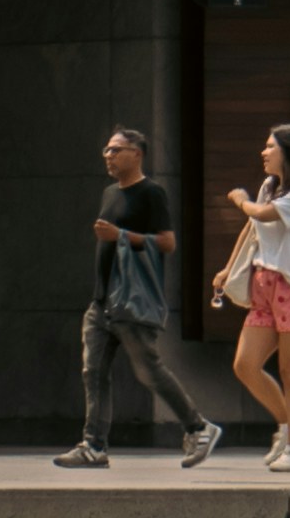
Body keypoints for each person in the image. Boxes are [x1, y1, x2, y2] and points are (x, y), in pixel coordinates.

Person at [64, 127, 209, 468]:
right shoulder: (109, 193)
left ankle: (198, 428)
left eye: (116, 150)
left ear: (137, 154)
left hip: (131, 300)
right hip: (101, 302)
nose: (108, 156)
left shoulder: (151, 193)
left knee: (149, 370)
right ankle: (94, 446)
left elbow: (168, 242)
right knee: (93, 372)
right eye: (107, 149)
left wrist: (121, 235)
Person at [221, 122, 290, 472]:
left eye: (271, 146)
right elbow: (252, 227)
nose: (264, 152)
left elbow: (262, 214)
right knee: (245, 364)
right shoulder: (271, 185)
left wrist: (241, 200)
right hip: (266, 284)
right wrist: (228, 269)